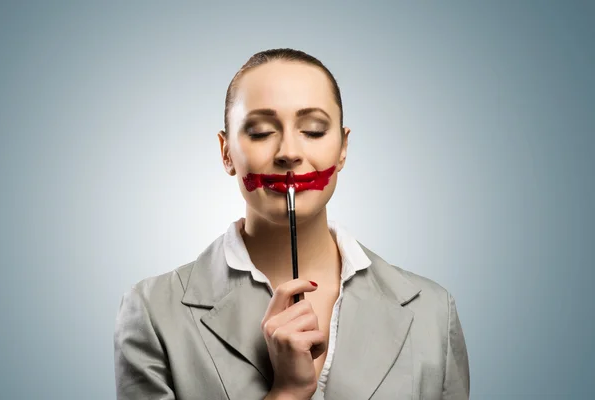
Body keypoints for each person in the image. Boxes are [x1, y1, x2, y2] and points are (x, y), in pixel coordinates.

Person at [114, 48, 470, 400]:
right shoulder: (153, 312)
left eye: (313, 130)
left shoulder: (433, 314)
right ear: (226, 153)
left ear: (343, 148)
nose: (288, 152)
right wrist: (287, 392)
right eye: (259, 132)